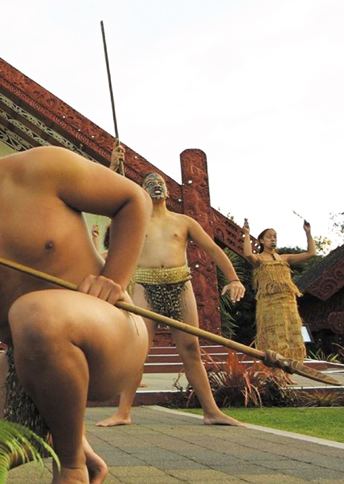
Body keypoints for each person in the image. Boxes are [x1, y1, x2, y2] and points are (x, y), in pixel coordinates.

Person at [0, 85, 152, 484]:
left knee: (34, 312)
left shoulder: (42, 169)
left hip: (113, 334)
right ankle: (65, 429)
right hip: (31, 365)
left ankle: (70, 463)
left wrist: (113, 280)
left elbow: (133, 200)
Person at [96, 173, 245, 428]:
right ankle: (123, 412)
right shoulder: (134, 221)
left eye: (160, 183)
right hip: (145, 286)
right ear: (141, 190)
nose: (156, 184)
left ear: (167, 192)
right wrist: (112, 166)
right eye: (149, 183)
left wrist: (234, 279)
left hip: (180, 285)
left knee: (190, 350)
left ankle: (211, 411)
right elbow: (112, 196)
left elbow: (213, 250)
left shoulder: (183, 222)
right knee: (138, 351)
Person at [242, 219, 315, 363]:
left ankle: (291, 368)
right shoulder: (260, 259)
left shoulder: (284, 258)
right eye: (269, 236)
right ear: (261, 241)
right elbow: (248, 255)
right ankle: (276, 372)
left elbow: (311, 253)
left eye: (275, 236)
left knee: (292, 334)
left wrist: (308, 233)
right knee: (273, 335)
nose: (273, 239)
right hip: (269, 302)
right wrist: (246, 233)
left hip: (288, 301)